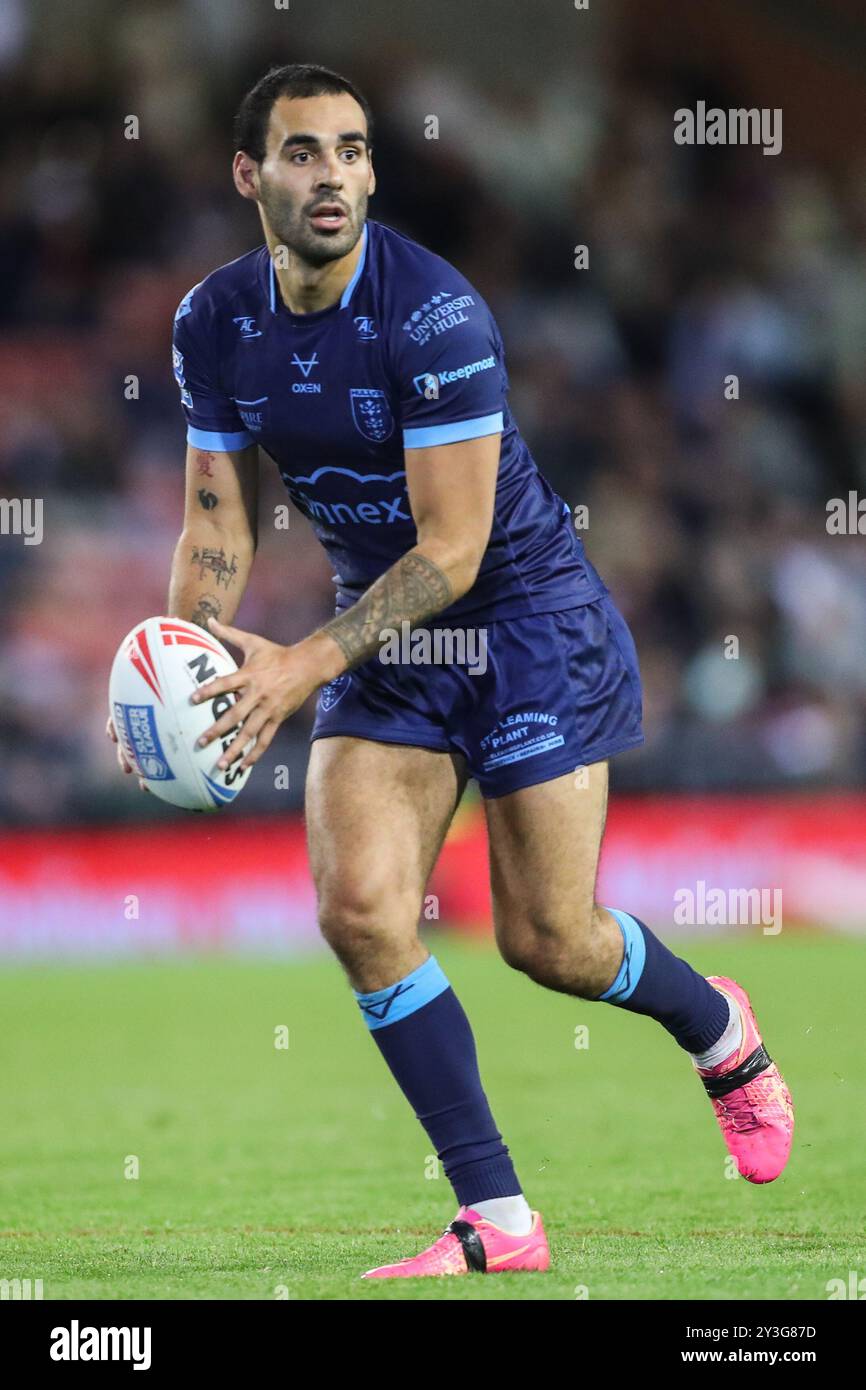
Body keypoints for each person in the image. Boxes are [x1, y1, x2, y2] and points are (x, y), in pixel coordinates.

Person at [108, 63, 794, 1279]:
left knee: (550, 939)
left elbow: (455, 548)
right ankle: (497, 1215)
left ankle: (717, 1028)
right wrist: (180, 674)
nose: (333, 177)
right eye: (304, 153)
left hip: (521, 617)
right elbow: (217, 524)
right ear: (247, 176)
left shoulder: (432, 314)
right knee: (361, 908)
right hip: (386, 631)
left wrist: (301, 671)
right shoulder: (214, 322)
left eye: (354, 152)